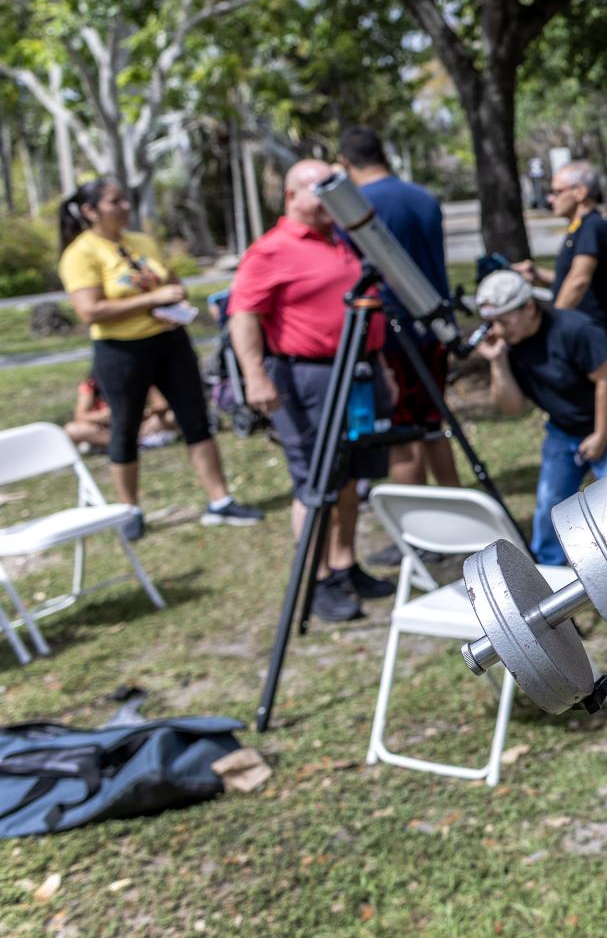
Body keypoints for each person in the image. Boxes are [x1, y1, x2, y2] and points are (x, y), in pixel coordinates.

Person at [230, 160, 394, 622]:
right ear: (291, 197)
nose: (329, 198)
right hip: (308, 377)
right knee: (316, 481)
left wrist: (381, 363)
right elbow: (243, 314)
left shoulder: (343, 239)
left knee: (351, 475)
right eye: (318, 189)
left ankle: (344, 562)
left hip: (360, 374)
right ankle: (319, 577)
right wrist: (254, 374)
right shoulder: (271, 250)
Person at [57, 177, 258, 539]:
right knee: (125, 426)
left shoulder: (142, 242)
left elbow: (171, 283)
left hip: (170, 341)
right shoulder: (81, 253)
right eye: (114, 202)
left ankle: (220, 501)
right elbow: (90, 311)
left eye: (125, 200)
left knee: (196, 419)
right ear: (90, 211)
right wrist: (152, 300)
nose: (124, 207)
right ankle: (129, 510)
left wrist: (175, 299)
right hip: (121, 350)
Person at [473, 268, 607, 567]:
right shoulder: (509, 346)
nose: (498, 330)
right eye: (492, 322)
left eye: (503, 320)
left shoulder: (574, 329)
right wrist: (497, 362)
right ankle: (549, 576)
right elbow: (512, 407)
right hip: (564, 429)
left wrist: (601, 436)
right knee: (550, 507)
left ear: (529, 307)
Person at [337, 125, 460, 489]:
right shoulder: (423, 197)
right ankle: (456, 506)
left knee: (403, 434)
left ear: (346, 162)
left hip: (392, 334)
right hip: (435, 327)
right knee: (433, 424)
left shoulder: (357, 208)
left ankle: (418, 530)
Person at [515, 160, 607, 336]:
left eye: (557, 192)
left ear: (580, 192)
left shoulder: (592, 226)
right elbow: (568, 276)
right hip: (578, 329)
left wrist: (555, 325)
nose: (551, 198)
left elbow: (579, 280)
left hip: (589, 331)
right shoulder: (578, 227)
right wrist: (537, 274)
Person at [65, 378, 174, 454]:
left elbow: (162, 404)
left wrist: (144, 412)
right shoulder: (90, 385)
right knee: (72, 429)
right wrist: (101, 416)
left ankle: (131, 443)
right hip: (107, 429)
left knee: (171, 416)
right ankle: (124, 444)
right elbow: (80, 416)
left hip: (140, 426)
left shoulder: (141, 376)